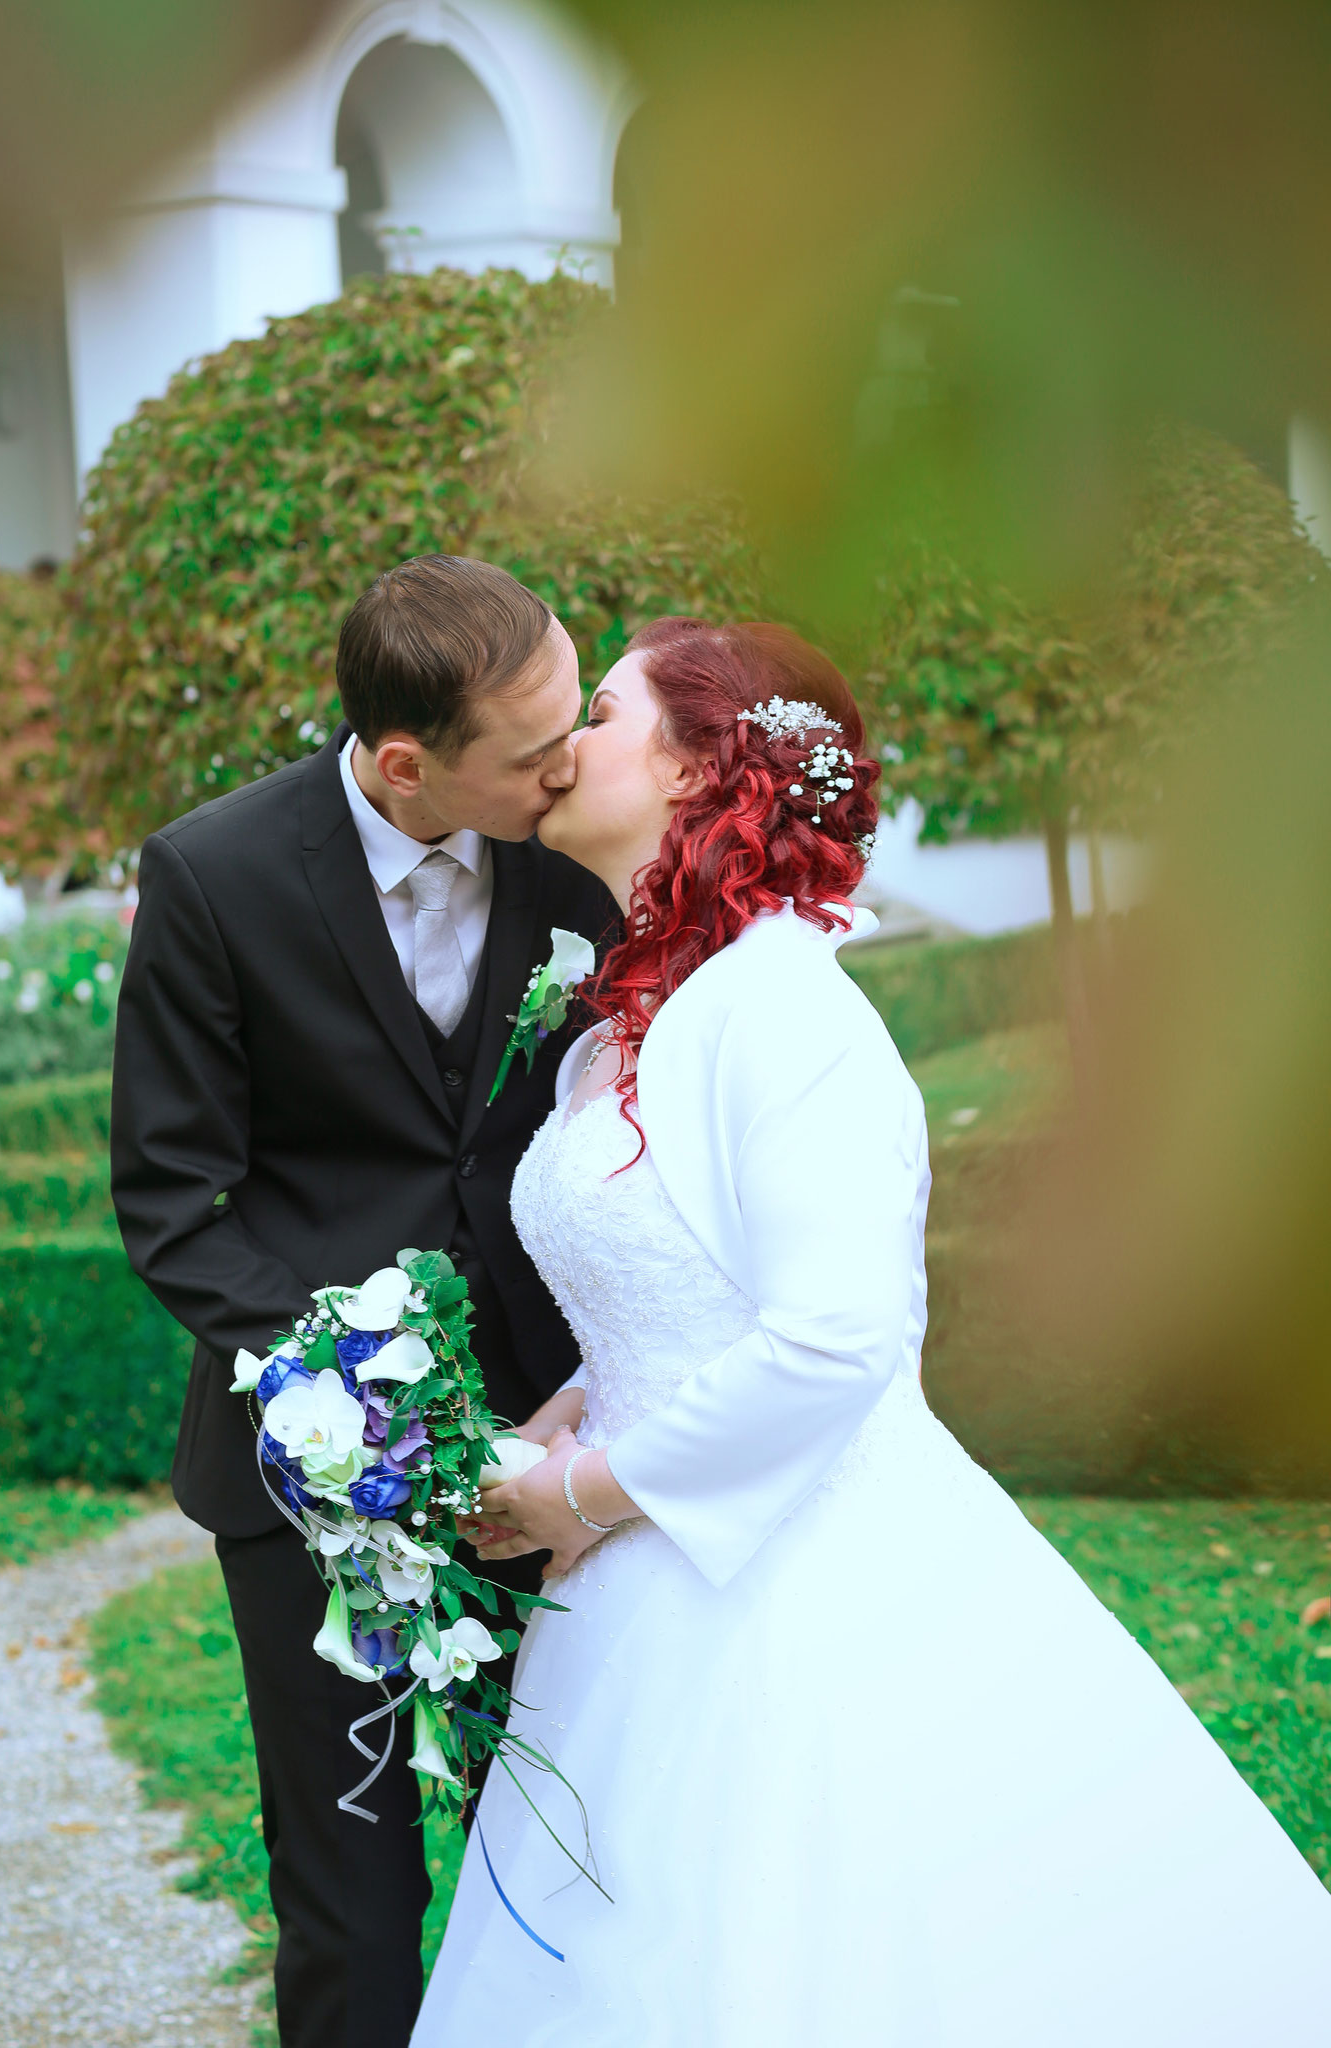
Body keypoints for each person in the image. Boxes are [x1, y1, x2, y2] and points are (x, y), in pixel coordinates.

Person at [415, 616, 1331, 2045]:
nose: (563, 743)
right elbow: (682, 1296)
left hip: (803, 1584)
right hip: (642, 1590)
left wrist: (575, 1500)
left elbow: (838, 1340)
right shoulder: (627, 1027)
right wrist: (565, 1416)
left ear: (701, 767)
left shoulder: (786, 1013)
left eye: (599, 712)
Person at [110, 556, 612, 2048]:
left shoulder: (577, 851)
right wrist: (362, 1403)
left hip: (565, 1447)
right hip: (308, 1486)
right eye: (532, 750)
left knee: (591, 1856)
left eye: (576, 715)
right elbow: (172, 1198)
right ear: (409, 764)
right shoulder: (215, 876)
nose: (571, 759)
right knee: (351, 1899)